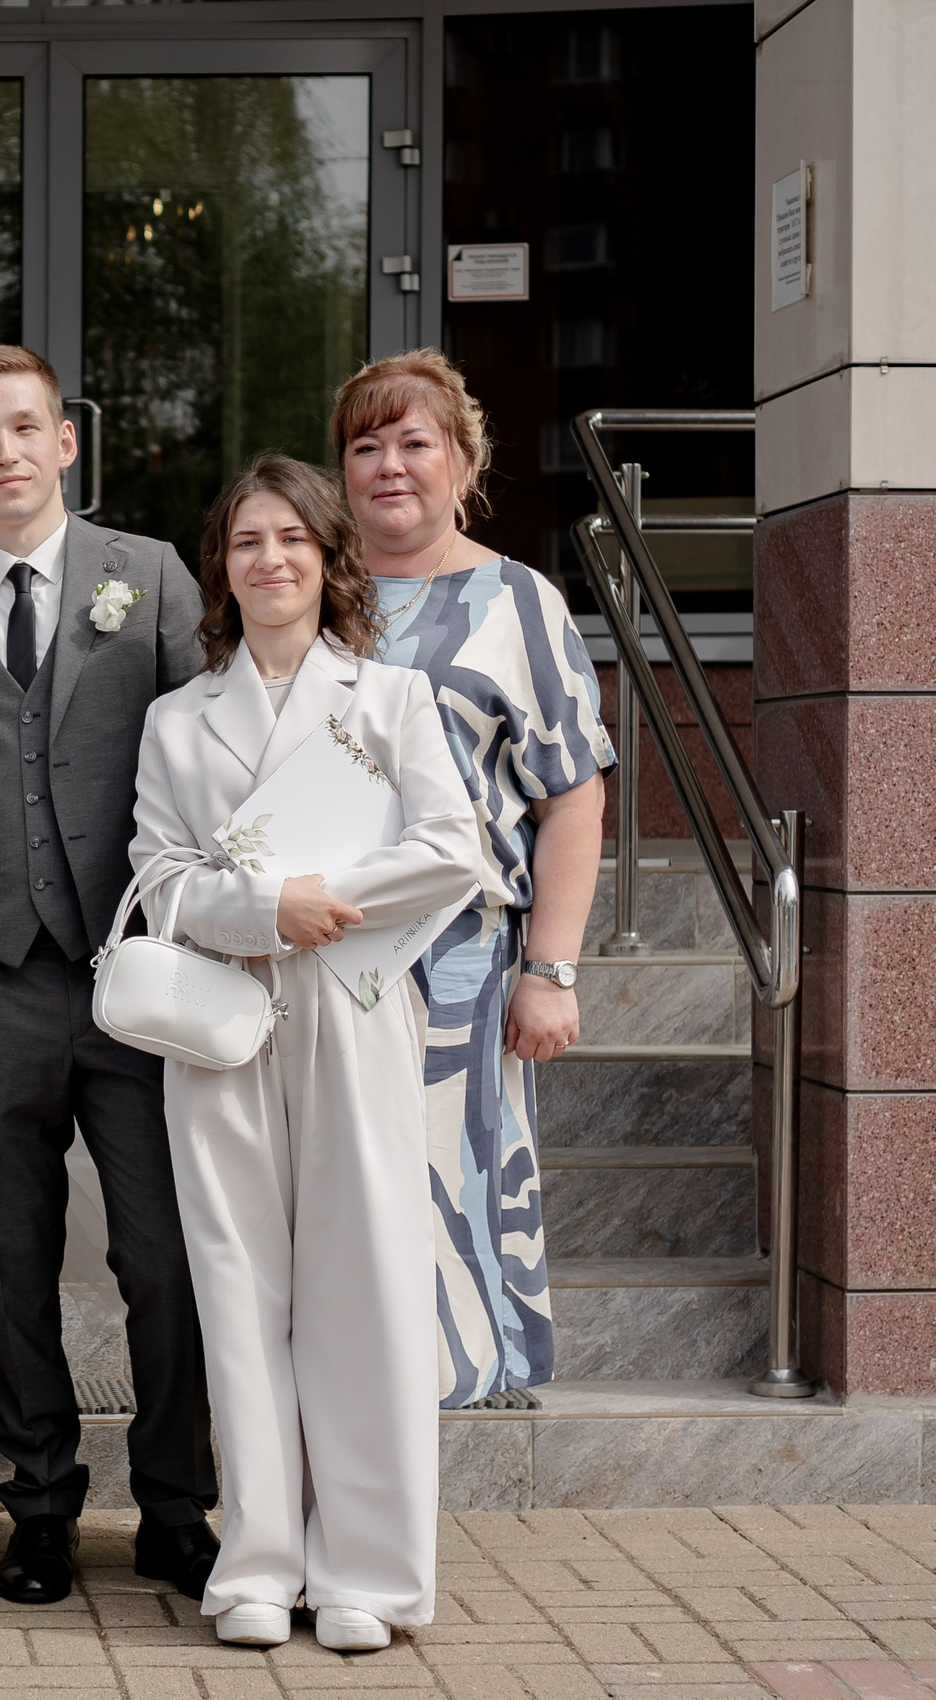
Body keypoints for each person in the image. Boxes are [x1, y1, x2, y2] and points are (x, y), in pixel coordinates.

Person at [129, 455, 487, 1651]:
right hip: (221, 1017)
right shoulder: (176, 719)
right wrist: (259, 910)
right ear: (221, 569)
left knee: (364, 1282)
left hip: (352, 1002)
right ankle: (259, 1564)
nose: (269, 558)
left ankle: (367, 1576)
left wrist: (317, 899)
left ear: (329, 559)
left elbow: (453, 848)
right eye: (246, 542)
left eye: (291, 538)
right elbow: (158, 879)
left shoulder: (391, 699)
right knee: (239, 1290)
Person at [0, 344, 218, 1606]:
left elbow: (214, 745)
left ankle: (176, 1506)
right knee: (7, 1265)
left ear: (65, 441)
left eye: (25, 427)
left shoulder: (150, 575)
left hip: (133, 975)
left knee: (164, 1259)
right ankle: (38, 1506)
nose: (6, 452)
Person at [332, 349, 614, 1411]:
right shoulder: (315, 591)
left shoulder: (518, 601)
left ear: (463, 458)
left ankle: (459, 1382)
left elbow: (572, 798)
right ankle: (356, 1385)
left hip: (460, 959)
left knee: (449, 1170)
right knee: (345, 1177)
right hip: (325, 942)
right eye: (366, 446)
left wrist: (551, 969)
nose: (390, 466)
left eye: (415, 442)